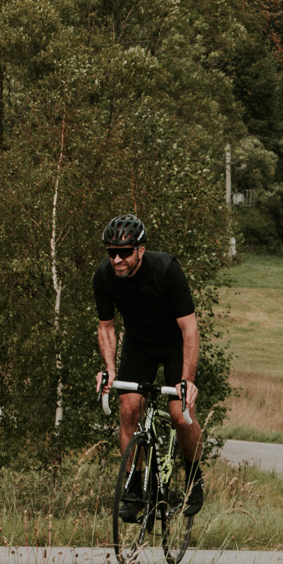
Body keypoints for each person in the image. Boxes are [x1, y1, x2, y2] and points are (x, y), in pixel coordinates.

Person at [92, 213, 205, 515]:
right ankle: (134, 485)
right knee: (129, 409)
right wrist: (110, 369)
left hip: (174, 344)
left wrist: (187, 380)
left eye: (124, 252)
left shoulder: (167, 269)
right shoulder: (104, 276)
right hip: (139, 344)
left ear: (140, 250)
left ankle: (194, 477)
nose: (117, 259)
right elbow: (106, 327)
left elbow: (190, 329)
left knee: (181, 415)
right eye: (111, 252)